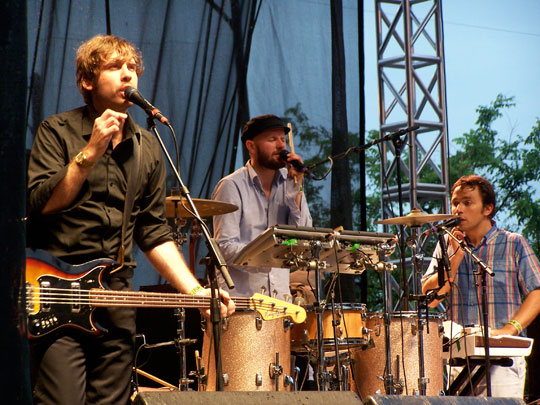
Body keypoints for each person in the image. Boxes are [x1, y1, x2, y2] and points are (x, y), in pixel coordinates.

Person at [26, 35, 234, 405]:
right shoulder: (56, 131)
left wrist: (196, 292)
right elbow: (42, 201)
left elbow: (153, 233)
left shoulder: (148, 146)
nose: (128, 76)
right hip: (57, 291)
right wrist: (90, 152)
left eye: (132, 69)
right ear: (87, 82)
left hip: (116, 296)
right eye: (114, 67)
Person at [422, 174, 540, 397]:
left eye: (467, 202)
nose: (458, 209)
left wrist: (510, 328)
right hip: (459, 357)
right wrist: (453, 259)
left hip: (502, 354)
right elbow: (430, 298)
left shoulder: (513, 242)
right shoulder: (446, 245)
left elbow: (537, 292)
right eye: (456, 203)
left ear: (487, 209)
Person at [211, 114, 312, 300]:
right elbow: (224, 247)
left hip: (281, 300)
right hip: (242, 302)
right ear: (251, 146)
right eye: (272, 139)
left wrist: (297, 189)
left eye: (283, 139)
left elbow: (303, 238)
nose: (281, 145)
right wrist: (268, 258)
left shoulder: (290, 182)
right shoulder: (231, 186)